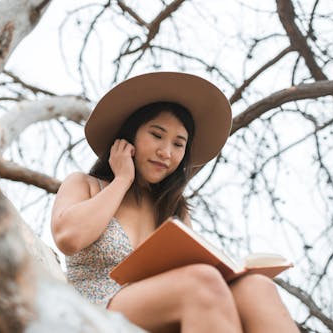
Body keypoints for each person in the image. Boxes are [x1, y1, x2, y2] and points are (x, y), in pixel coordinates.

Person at [51, 72, 300, 333]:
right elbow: (69, 238)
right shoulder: (86, 184)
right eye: (157, 135)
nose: (166, 152)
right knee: (200, 282)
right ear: (128, 137)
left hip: (167, 316)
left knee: (257, 287)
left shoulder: (175, 210)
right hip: (94, 313)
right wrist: (122, 180)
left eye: (178, 144)